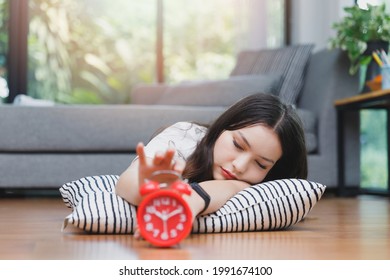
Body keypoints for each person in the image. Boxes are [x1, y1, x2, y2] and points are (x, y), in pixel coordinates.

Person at [115, 93, 307, 223]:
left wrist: (194, 200)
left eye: (260, 164)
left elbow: (237, 187)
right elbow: (126, 183)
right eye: (238, 145)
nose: (239, 166)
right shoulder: (183, 137)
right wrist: (151, 189)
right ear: (222, 126)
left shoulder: (265, 184)